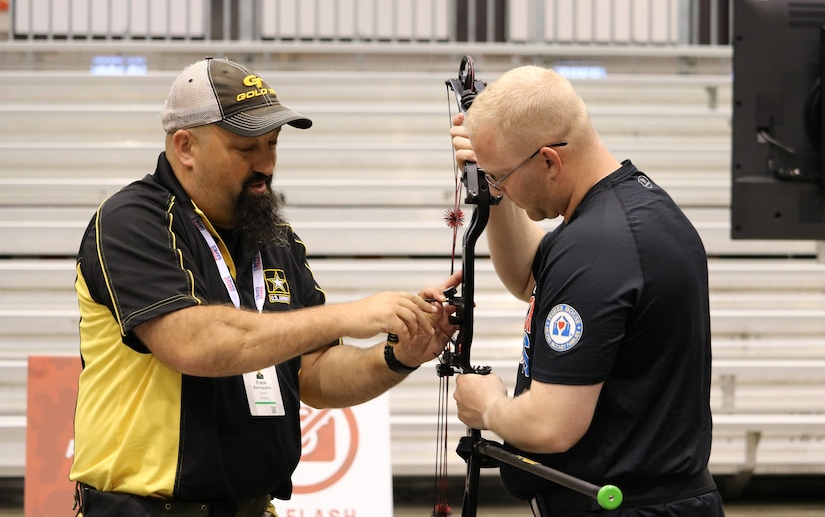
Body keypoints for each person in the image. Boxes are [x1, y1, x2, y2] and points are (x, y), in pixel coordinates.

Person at [70, 57, 457, 516]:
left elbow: (312, 374)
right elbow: (192, 342)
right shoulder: (132, 222)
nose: (266, 164)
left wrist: (399, 355)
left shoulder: (273, 237)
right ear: (185, 145)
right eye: (246, 148)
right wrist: (350, 314)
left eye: (272, 144)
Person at [449, 65, 725, 516]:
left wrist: (489, 407)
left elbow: (551, 425)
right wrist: (492, 186)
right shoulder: (625, 211)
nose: (496, 188)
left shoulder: (598, 248)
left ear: (549, 161)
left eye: (500, 177)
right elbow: (525, 276)